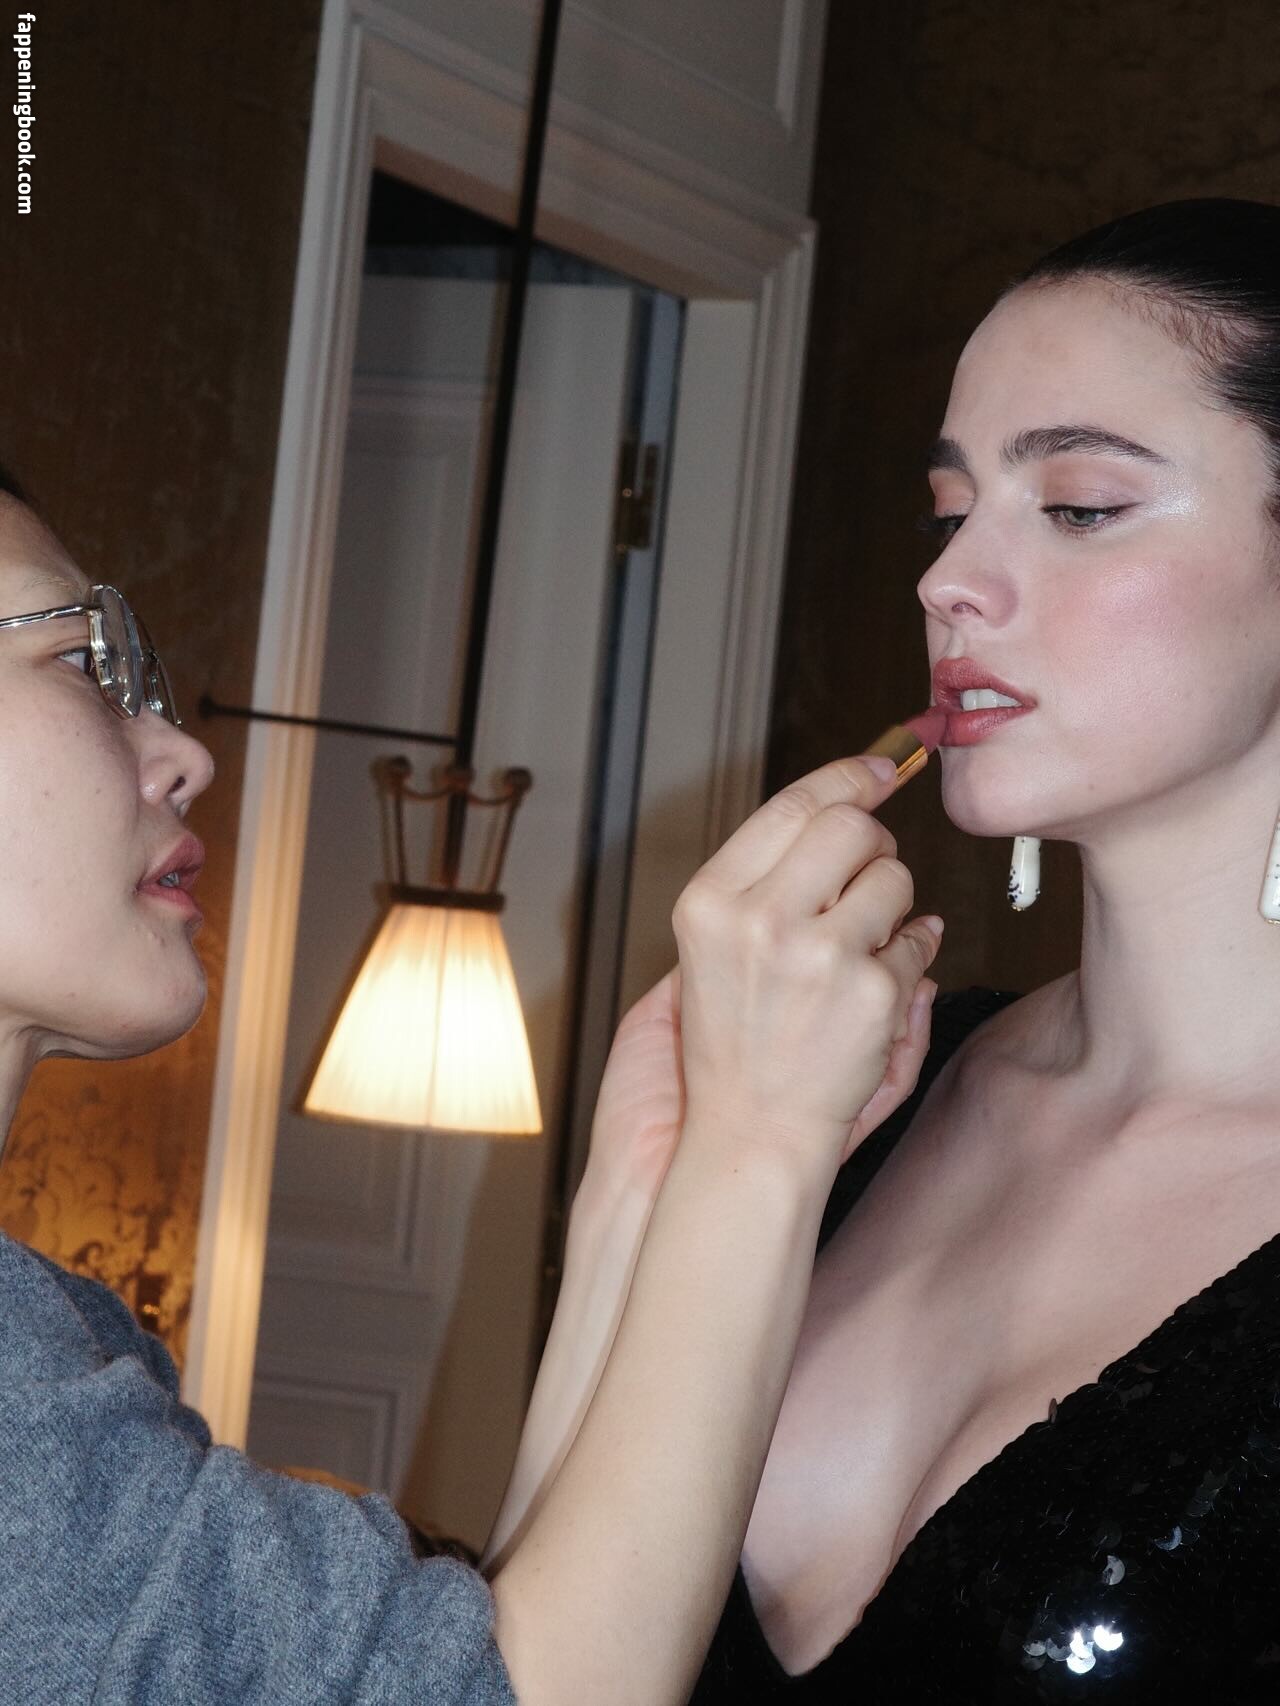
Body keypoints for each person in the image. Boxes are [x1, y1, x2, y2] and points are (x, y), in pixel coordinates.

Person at [490, 198, 1280, 1701]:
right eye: (948, 508)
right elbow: (514, 1671)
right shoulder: (859, 1092)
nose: (947, 580)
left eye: (1079, 504)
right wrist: (642, 1194)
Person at [0, 463, 944, 1703]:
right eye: (80, 660)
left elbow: (456, 1665)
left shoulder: (58, 1328)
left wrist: (644, 1189)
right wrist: (762, 1137)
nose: (182, 753)